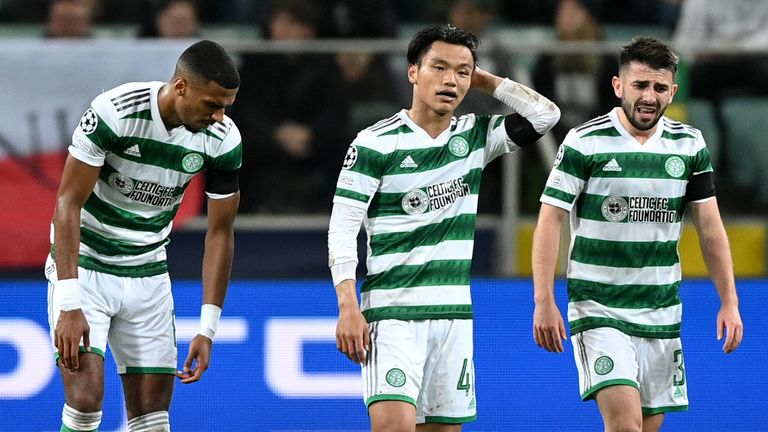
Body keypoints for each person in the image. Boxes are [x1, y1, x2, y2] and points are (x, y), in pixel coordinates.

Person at [328, 24, 560, 431]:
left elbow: (546, 115)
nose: (450, 80)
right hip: (392, 315)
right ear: (412, 72)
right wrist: (348, 305)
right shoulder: (374, 143)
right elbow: (342, 229)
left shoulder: (474, 137)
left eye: (461, 72)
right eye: (438, 67)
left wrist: (483, 80)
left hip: (453, 318)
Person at [531, 37, 743, 432]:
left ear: (673, 91)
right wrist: (544, 300)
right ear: (618, 86)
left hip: (660, 309)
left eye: (660, 88)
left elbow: (710, 229)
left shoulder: (689, 144)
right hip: (599, 308)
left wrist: (729, 301)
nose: (649, 97)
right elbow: (550, 219)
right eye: (640, 86)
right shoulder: (583, 142)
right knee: (626, 424)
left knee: (647, 426)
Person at [46, 40, 241, 432]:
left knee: (152, 420)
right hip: (87, 265)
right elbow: (67, 203)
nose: (220, 116)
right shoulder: (115, 112)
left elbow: (219, 233)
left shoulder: (223, 139)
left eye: (226, 107)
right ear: (181, 86)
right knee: (85, 404)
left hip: (148, 274)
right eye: (212, 104)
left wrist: (207, 327)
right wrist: (69, 303)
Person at [235, 0, 348, 213]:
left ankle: (334, 214)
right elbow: (246, 110)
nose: (283, 30)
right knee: (235, 149)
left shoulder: (326, 65)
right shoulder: (253, 62)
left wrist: (309, 133)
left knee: (343, 149)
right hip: (266, 138)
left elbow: (335, 111)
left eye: (292, 24)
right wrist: (276, 132)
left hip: (312, 140)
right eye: (279, 23)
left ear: (308, 30)